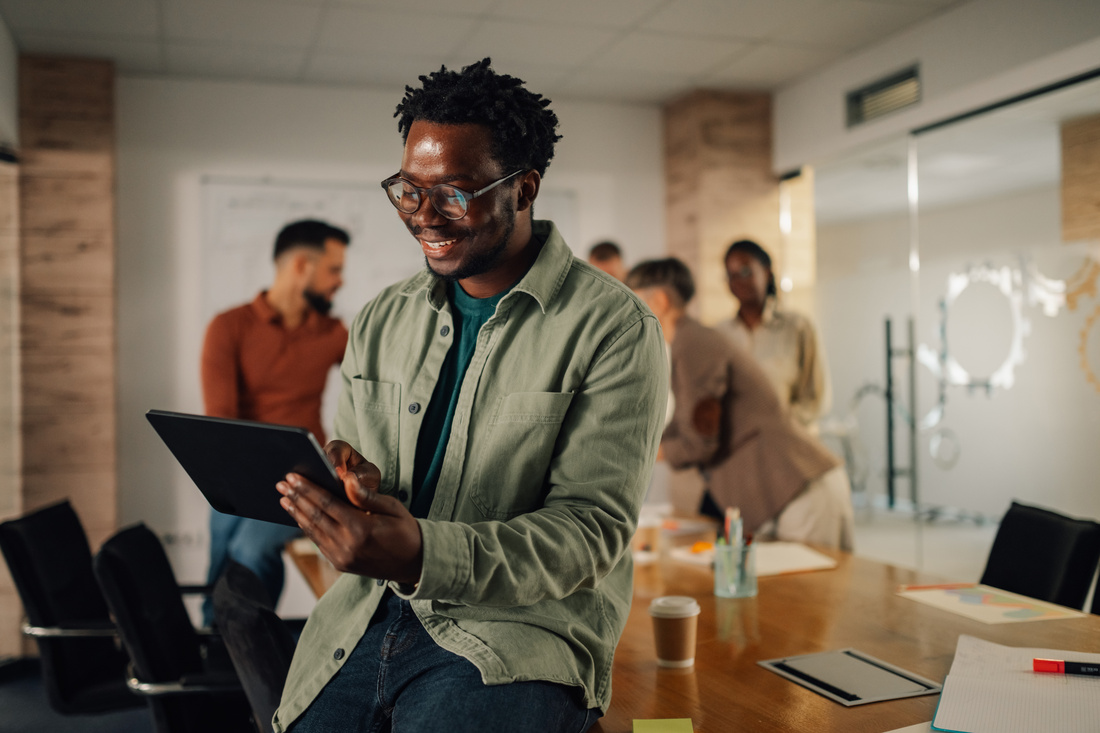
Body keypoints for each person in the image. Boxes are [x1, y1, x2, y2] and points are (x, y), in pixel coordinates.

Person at [271, 59, 666, 733]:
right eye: (408, 190)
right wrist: (349, 476)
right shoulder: (380, 318)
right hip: (363, 613)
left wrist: (424, 552)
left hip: (513, 635)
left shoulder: (615, 328)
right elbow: (358, 454)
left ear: (525, 187)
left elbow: (588, 533)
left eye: (454, 192)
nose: (424, 215)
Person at [627, 258, 854, 551]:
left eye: (629, 299)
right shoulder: (688, 340)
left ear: (659, 300)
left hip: (799, 488)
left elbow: (699, 441)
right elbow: (689, 422)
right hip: (782, 491)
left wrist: (637, 452)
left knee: (819, 596)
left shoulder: (693, 343)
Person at [201, 219, 350, 624]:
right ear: (302, 265)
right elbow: (221, 428)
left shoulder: (334, 333)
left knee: (249, 551)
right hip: (242, 472)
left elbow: (378, 384)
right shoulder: (229, 327)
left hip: (305, 477)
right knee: (225, 541)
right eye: (334, 269)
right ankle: (216, 644)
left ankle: (252, 643)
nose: (340, 281)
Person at [718, 239, 831, 433]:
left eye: (745, 271)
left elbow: (816, 399)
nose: (738, 280)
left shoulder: (797, 328)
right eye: (731, 274)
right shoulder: (719, 335)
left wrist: (774, 424)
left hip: (787, 445)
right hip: (737, 451)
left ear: (766, 272)